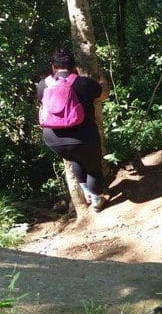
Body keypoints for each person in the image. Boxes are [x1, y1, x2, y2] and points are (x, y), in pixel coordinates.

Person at [36, 48, 109, 211]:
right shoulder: (84, 83)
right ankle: (96, 200)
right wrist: (102, 79)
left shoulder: (42, 85)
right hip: (82, 138)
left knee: (75, 159)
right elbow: (103, 94)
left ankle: (86, 193)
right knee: (93, 167)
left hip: (53, 140)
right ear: (74, 67)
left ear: (53, 67)